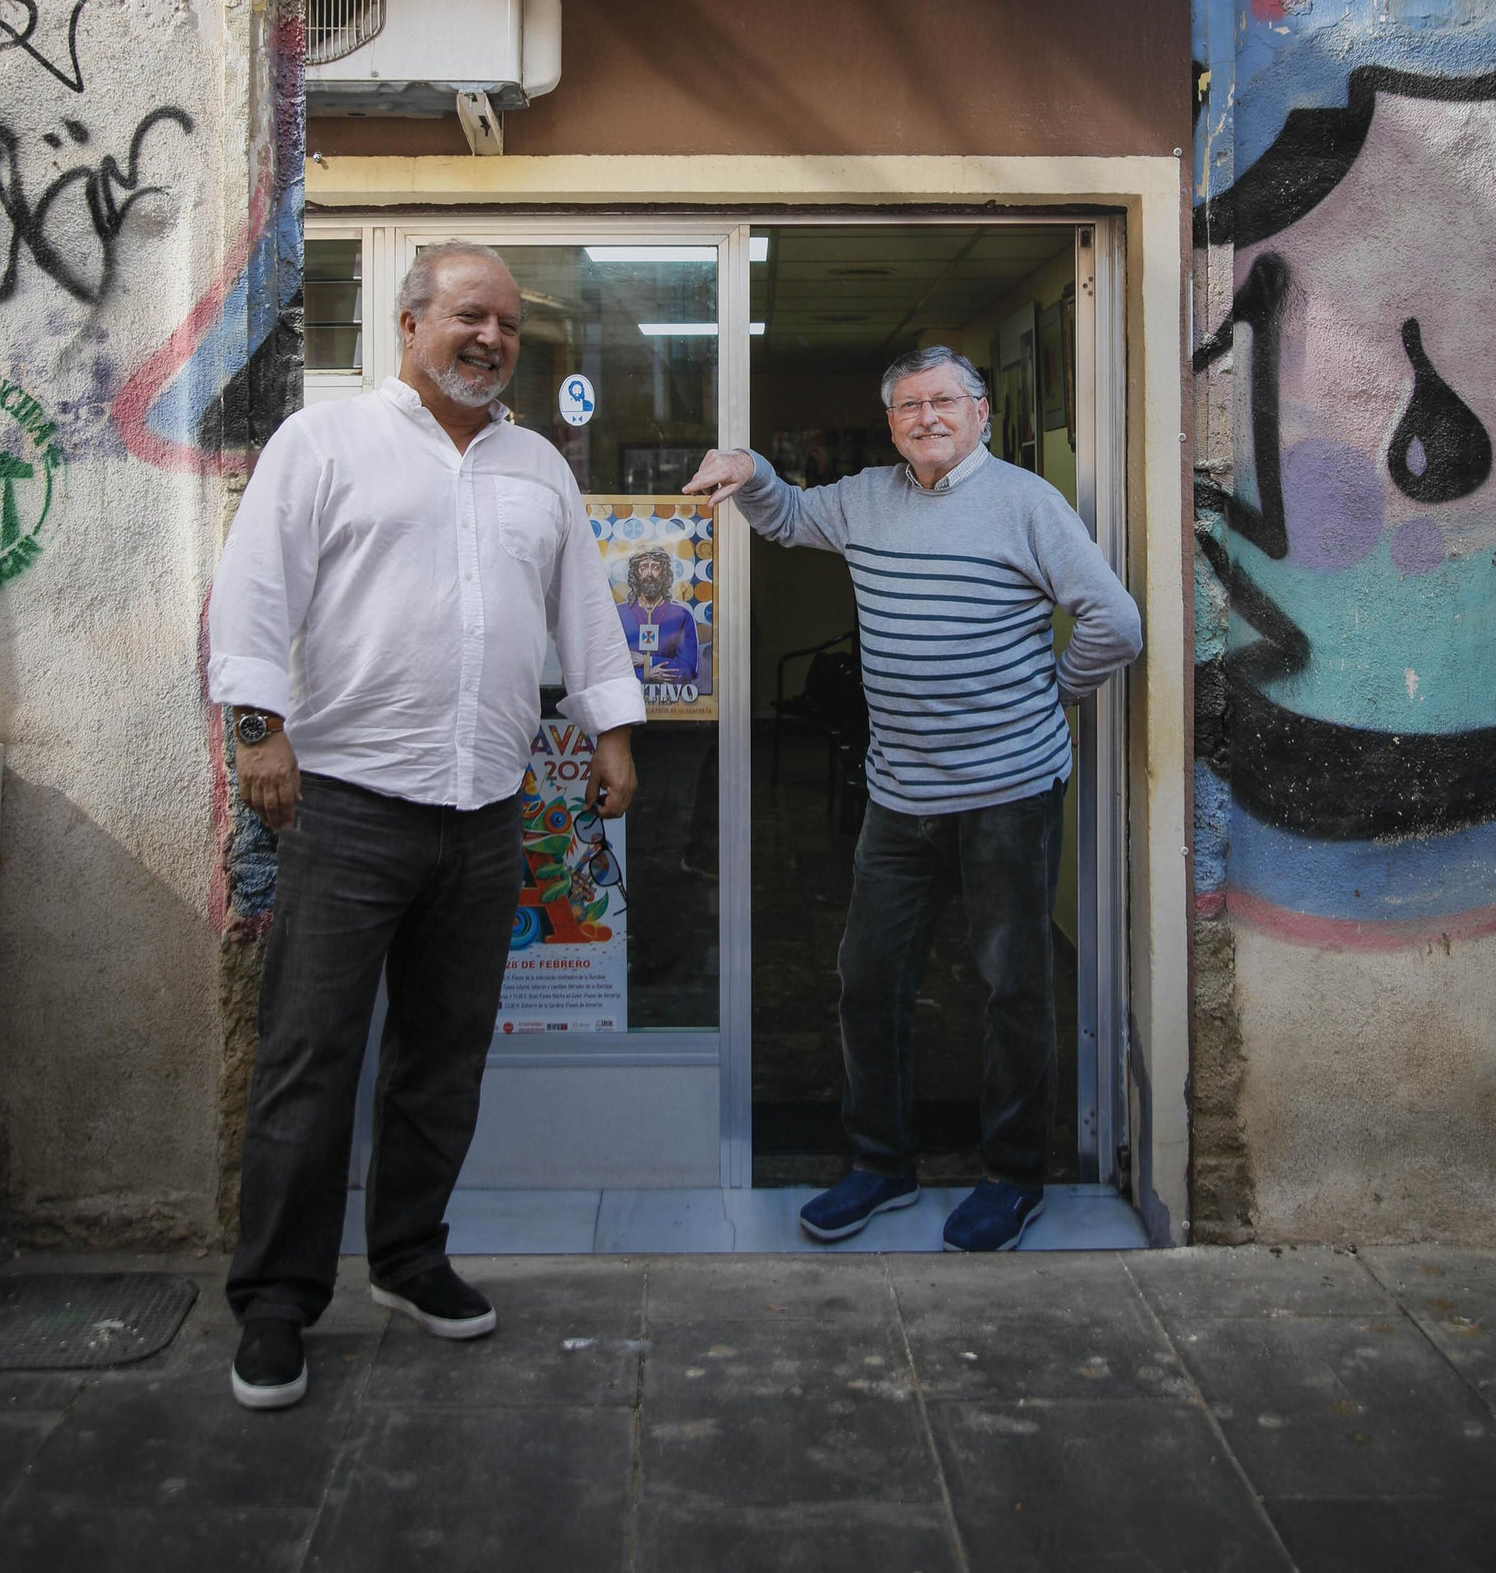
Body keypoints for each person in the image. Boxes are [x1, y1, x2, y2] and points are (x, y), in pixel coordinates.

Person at [208, 243, 642, 1409]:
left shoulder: (536, 464)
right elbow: (254, 590)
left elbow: (584, 610)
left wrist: (611, 729)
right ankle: (277, 1303)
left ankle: (406, 1256)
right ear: (409, 324)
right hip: (346, 803)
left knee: (443, 1057)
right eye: (467, 315)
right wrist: (259, 730)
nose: (489, 337)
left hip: (486, 807)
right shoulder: (326, 441)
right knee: (311, 1058)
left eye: (505, 322)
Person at [686, 344, 1141, 1255]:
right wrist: (750, 468)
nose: (925, 418)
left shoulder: (1026, 502)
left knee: (1013, 986)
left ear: (980, 411)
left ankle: (1012, 1178)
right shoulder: (863, 498)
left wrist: (1053, 695)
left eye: (942, 401)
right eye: (905, 407)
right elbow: (785, 517)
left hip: (1009, 792)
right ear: (890, 422)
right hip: (899, 793)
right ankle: (880, 1165)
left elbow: (1115, 623)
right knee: (869, 980)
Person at [617, 545, 700, 686]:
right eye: (643, 567)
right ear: (635, 573)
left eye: (655, 567)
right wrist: (645, 674)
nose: (649, 574)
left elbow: (687, 670)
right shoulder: (619, 614)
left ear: (664, 573)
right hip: (629, 701)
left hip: (673, 703)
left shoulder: (680, 615)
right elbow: (609, 669)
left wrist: (647, 661)